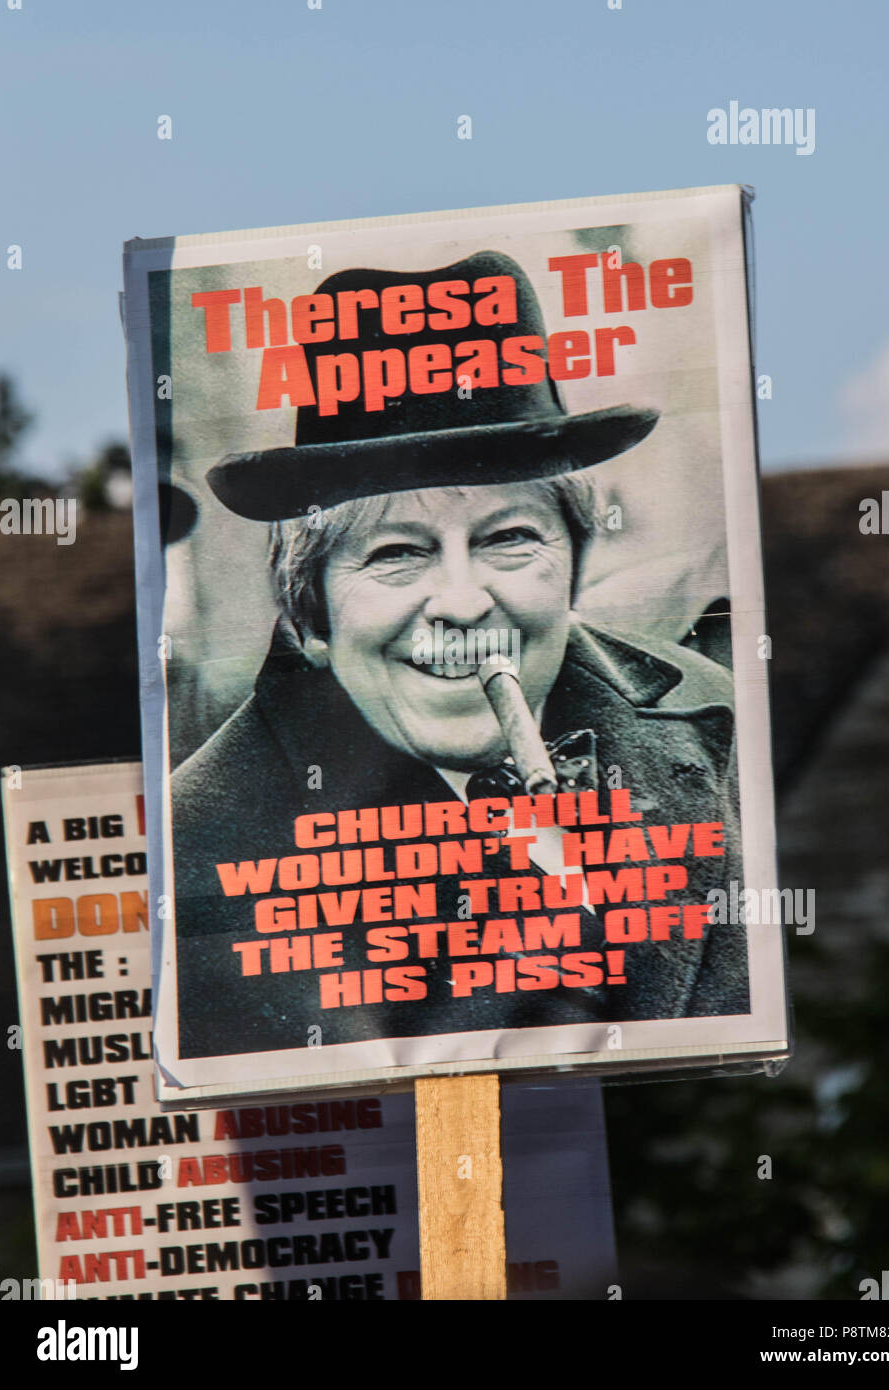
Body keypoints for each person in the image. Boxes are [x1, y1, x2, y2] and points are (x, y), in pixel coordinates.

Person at [171, 251, 748, 1059]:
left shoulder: (705, 709)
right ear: (313, 612)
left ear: (574, 562)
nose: (463, 600)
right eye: (397, 553)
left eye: (510, 539)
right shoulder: (202, 839)